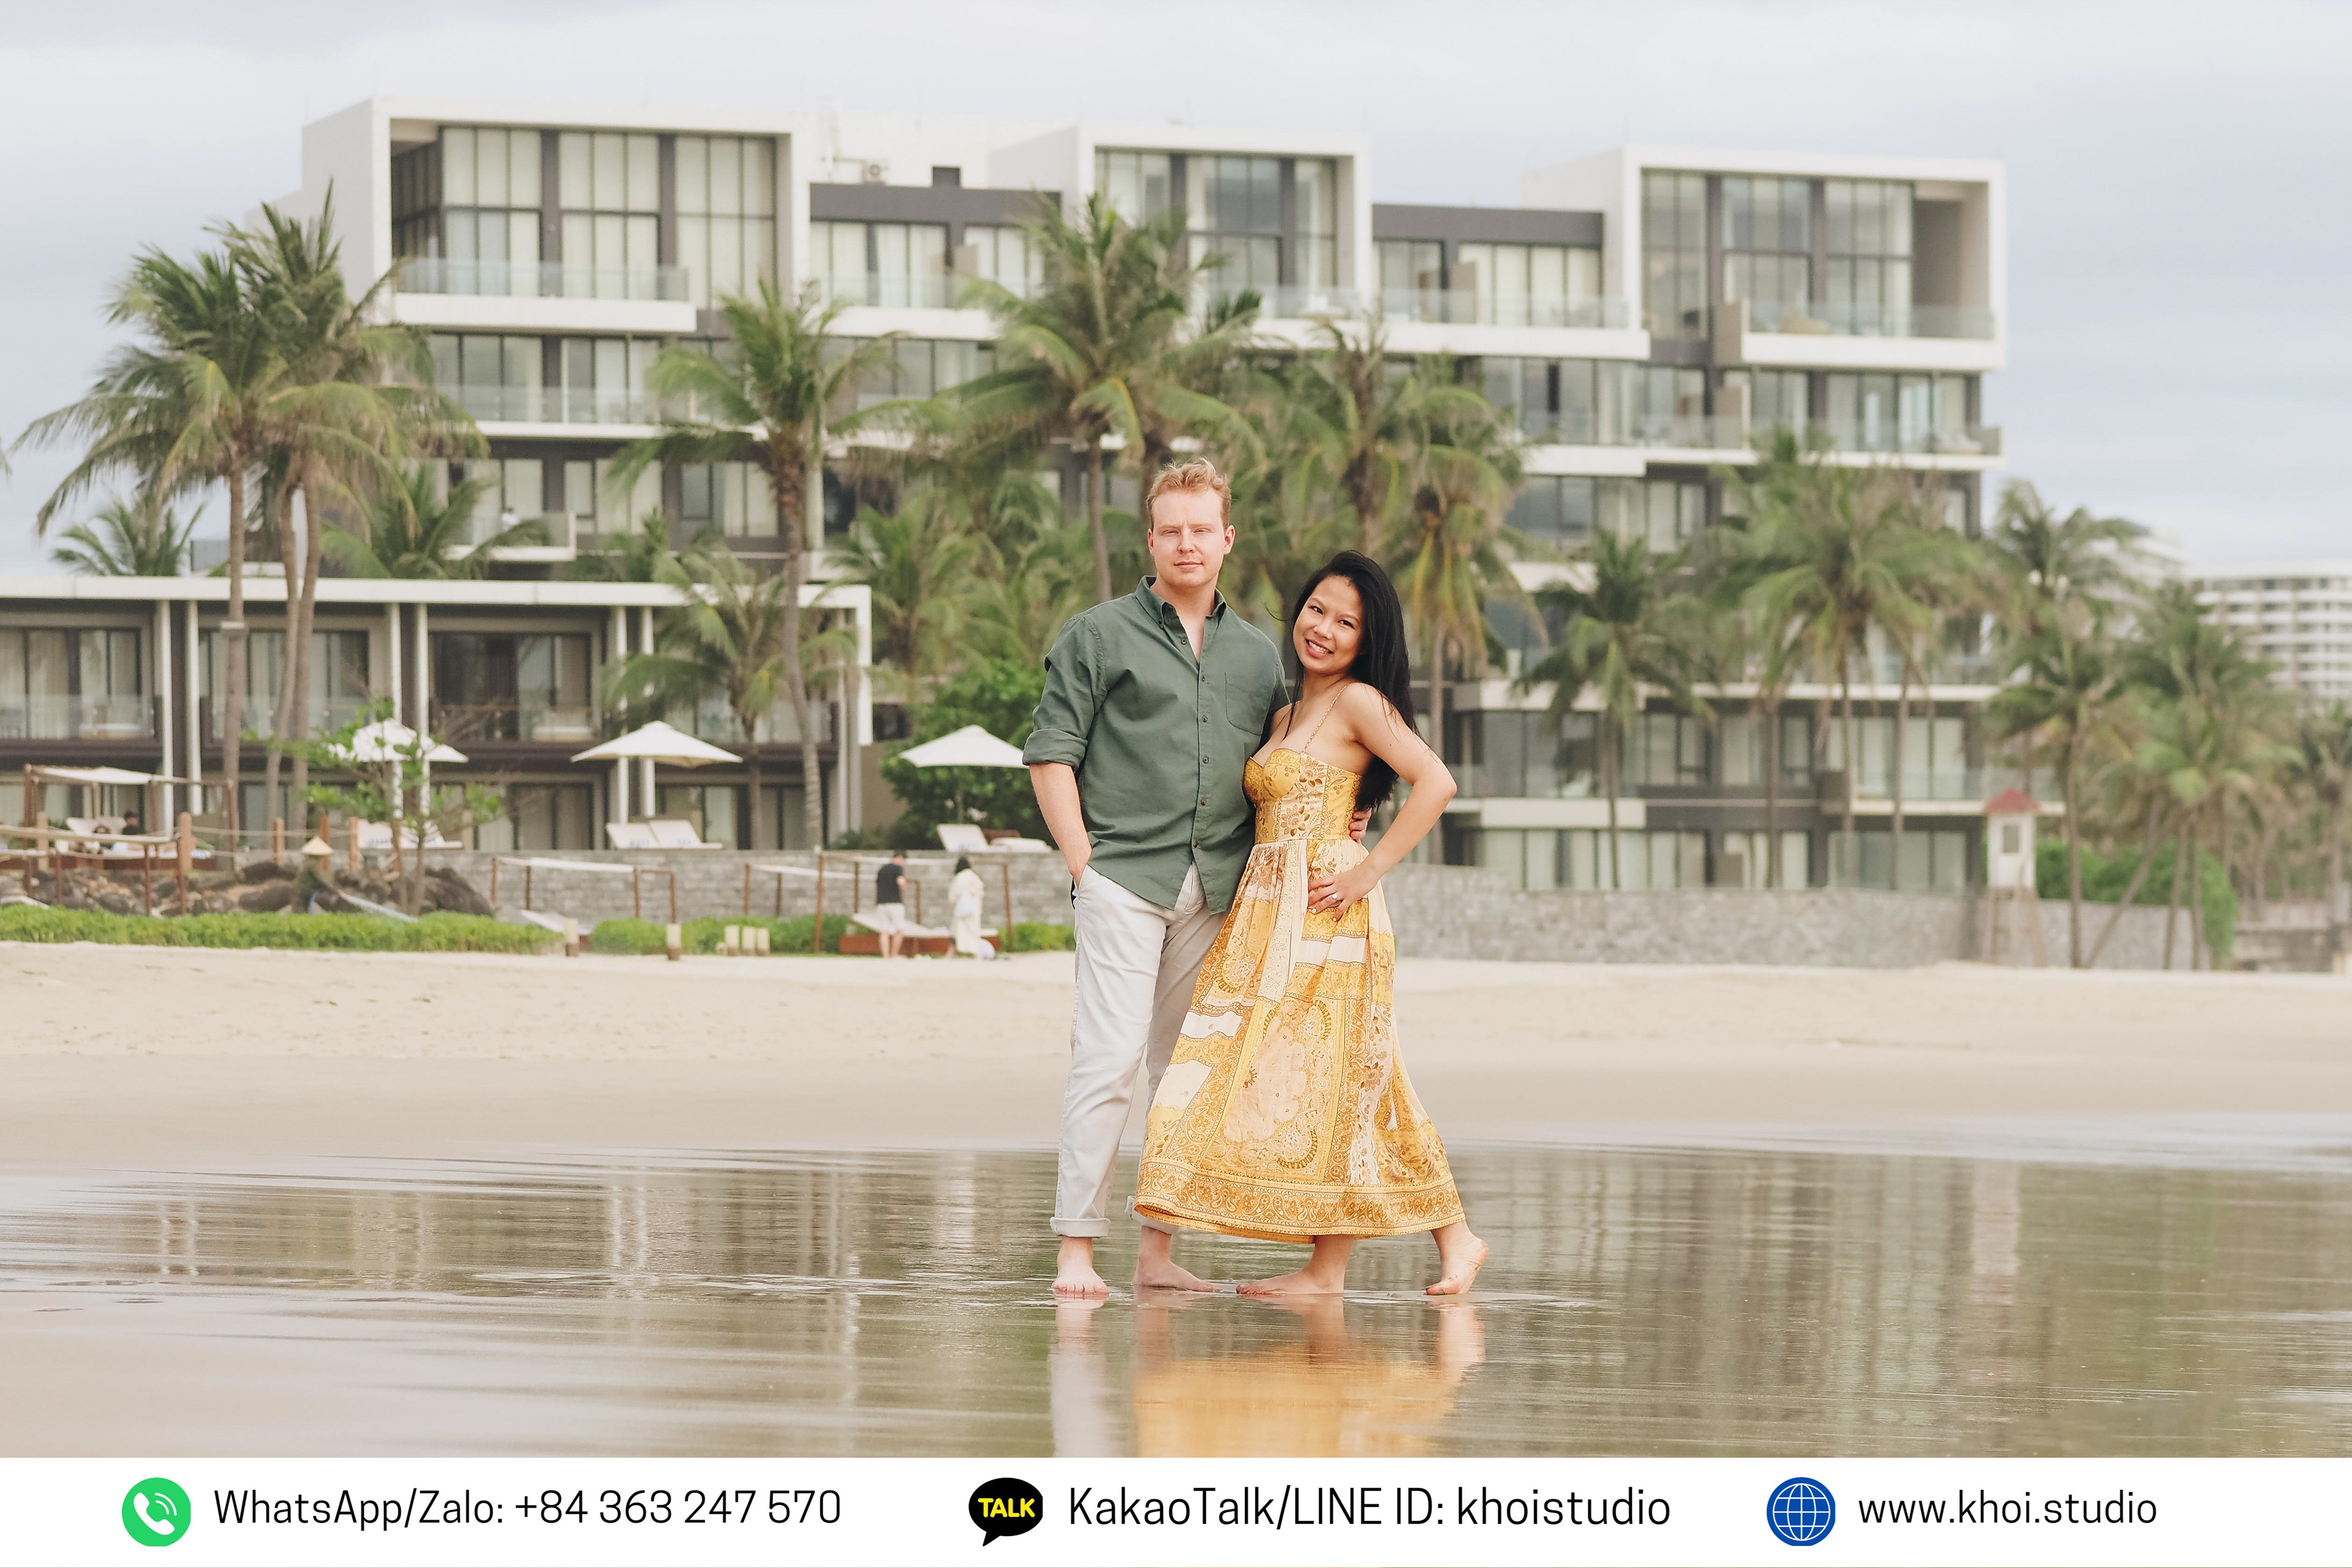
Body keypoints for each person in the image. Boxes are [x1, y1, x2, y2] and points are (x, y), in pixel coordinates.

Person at [1133, 551, 1490, 1297]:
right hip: (1265, 915)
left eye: (1346, 622)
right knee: (1296, 1071)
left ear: (1367, 640)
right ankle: (1404, 1250)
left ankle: (1382, 1257)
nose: (1322, 629)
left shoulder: (1359, 701)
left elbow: (1437, 781)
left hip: (1331, 910)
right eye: (1317, 609)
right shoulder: (1285, 713)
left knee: (1346, 1077)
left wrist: (1368, 868)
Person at [1024, 457, 1294, 1300]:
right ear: (1151, 539)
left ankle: (1155, 1254)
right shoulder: (1098, 634)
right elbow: (1050, 755)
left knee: (1182, 1074)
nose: (1187, 544)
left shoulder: (1259, 656)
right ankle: (1076, 1253)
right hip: (1123, 879)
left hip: (1216, 889)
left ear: (1227, 538)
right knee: (1107, 1062)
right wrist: (1083, 864)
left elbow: (1284, 764)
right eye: (1171, 530)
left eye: (1201, 529)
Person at [949, 855, 995, 959]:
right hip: (974, 911)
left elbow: (953, 896)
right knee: (973, 933)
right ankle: (975, 954)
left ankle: (952, 953)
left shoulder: (959, 877)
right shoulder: (975, 877)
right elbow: (980, 893)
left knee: (957, 932)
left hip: (960, 911)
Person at [873, 849, 910, 959]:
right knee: (900, 929)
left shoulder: (882, 869)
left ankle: (886, 956)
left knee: (884, 930)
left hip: (881, 903)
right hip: (895, 903)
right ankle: (894, 954)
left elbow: (876, 885)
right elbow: (901, 882)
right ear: (901, 858)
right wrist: (903, 892)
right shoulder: (898, 869)